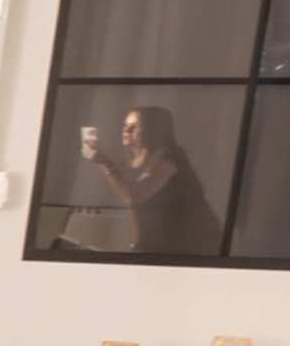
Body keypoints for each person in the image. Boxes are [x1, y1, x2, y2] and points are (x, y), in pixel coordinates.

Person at [80, 104, 223, 256]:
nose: (126, 131)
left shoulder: (171, 158)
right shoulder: (129, 161)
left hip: (191, 247)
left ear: (152, 130)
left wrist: (104, 162)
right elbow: (136, 209)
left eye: (134, 127)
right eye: (125, 125)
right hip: (156, 246)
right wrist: (136, 245)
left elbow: (134, 197)